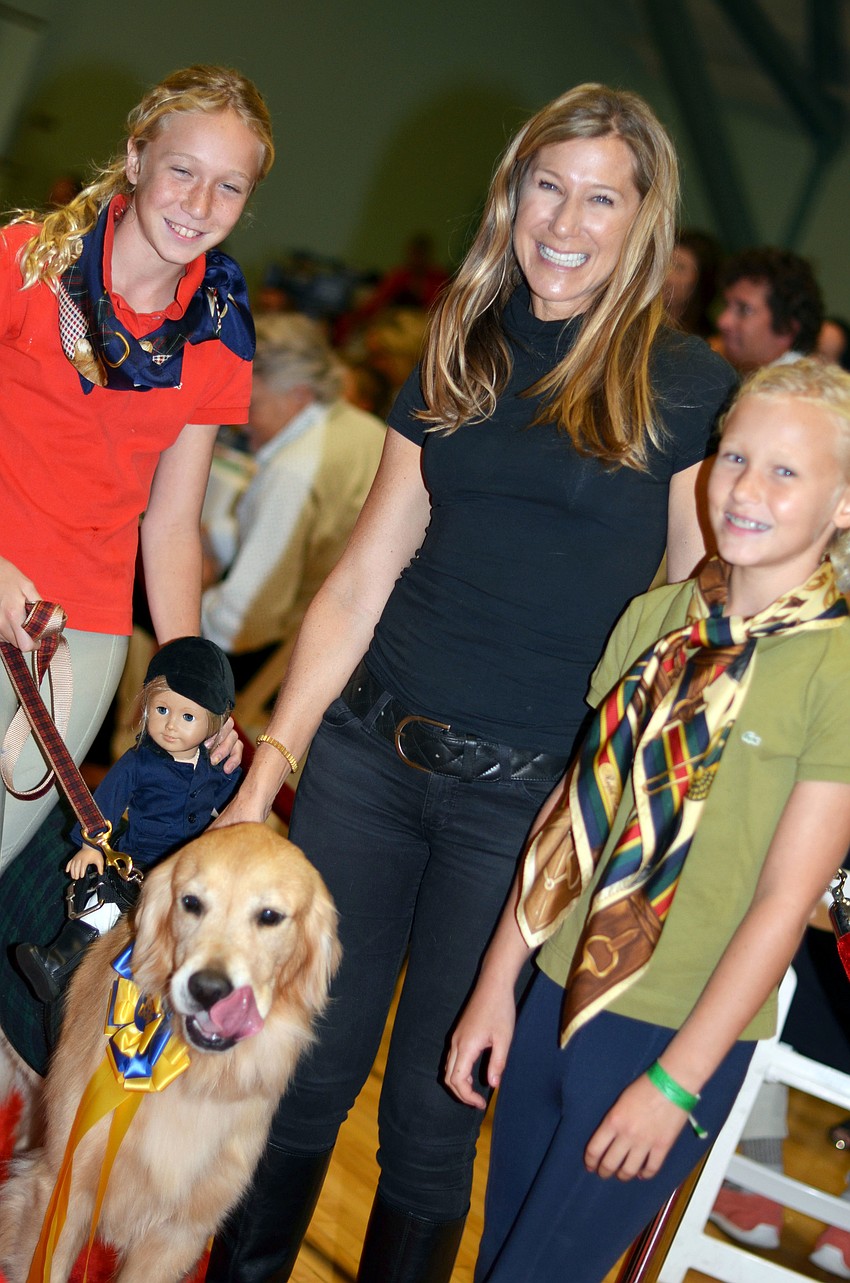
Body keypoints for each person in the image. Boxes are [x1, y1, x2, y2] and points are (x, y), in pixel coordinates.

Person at [206, 83, 736, 1283]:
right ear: (511, 194)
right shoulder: (459, 336)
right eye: (547, 185)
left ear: (643, 221)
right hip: (364, 763)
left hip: (525, 811)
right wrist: (267, 770)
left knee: (433, 1125)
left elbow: (690, 626)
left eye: (601, 196)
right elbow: (361, 577)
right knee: (296, 1079)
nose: (565, 218)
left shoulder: (688, 387)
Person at [446, 356, 850, 1283]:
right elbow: (569, 811)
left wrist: (677, 1080)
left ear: (843, 506)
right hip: (556, 992)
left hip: (674, 1032)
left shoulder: (835, 671)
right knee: (499, 1260)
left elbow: (785, 907)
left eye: (787, 472)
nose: (746, 488)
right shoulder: (656, 618)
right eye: (734, 457)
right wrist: (496, 983)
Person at [0, 63, 273, 868]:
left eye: (228, 187)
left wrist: (191, 680)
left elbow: (172, 520)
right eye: (183, 170)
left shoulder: (219, 334)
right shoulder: (29, 263)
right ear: (136, 157)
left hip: (76, 636)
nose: (198, 204)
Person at [15, 637, 240, 1001]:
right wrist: (92, 846)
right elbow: (103, 803)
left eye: (187, 717)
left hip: (194, 872)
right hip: (136, 862)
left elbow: (236, 803)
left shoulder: (214, 767)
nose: (170, 726)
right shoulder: (137, 764)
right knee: (100, 910)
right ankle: (54, 964)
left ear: (214, 726)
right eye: (162, 709)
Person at [201, 316, 386, 692]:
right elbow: (281, 534)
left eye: (251, 404)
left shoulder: (294, 471)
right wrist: (211, 540)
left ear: (299, 394)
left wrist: (184, 614)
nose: (239, 421)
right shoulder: (361, 427)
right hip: (362, 643)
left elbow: (242, 622)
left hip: (294, 658)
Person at [716, 246, 823, 372]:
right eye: (726, 306)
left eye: (744, 310)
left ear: (786, 328)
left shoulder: (801, 389)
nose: (723, 321)